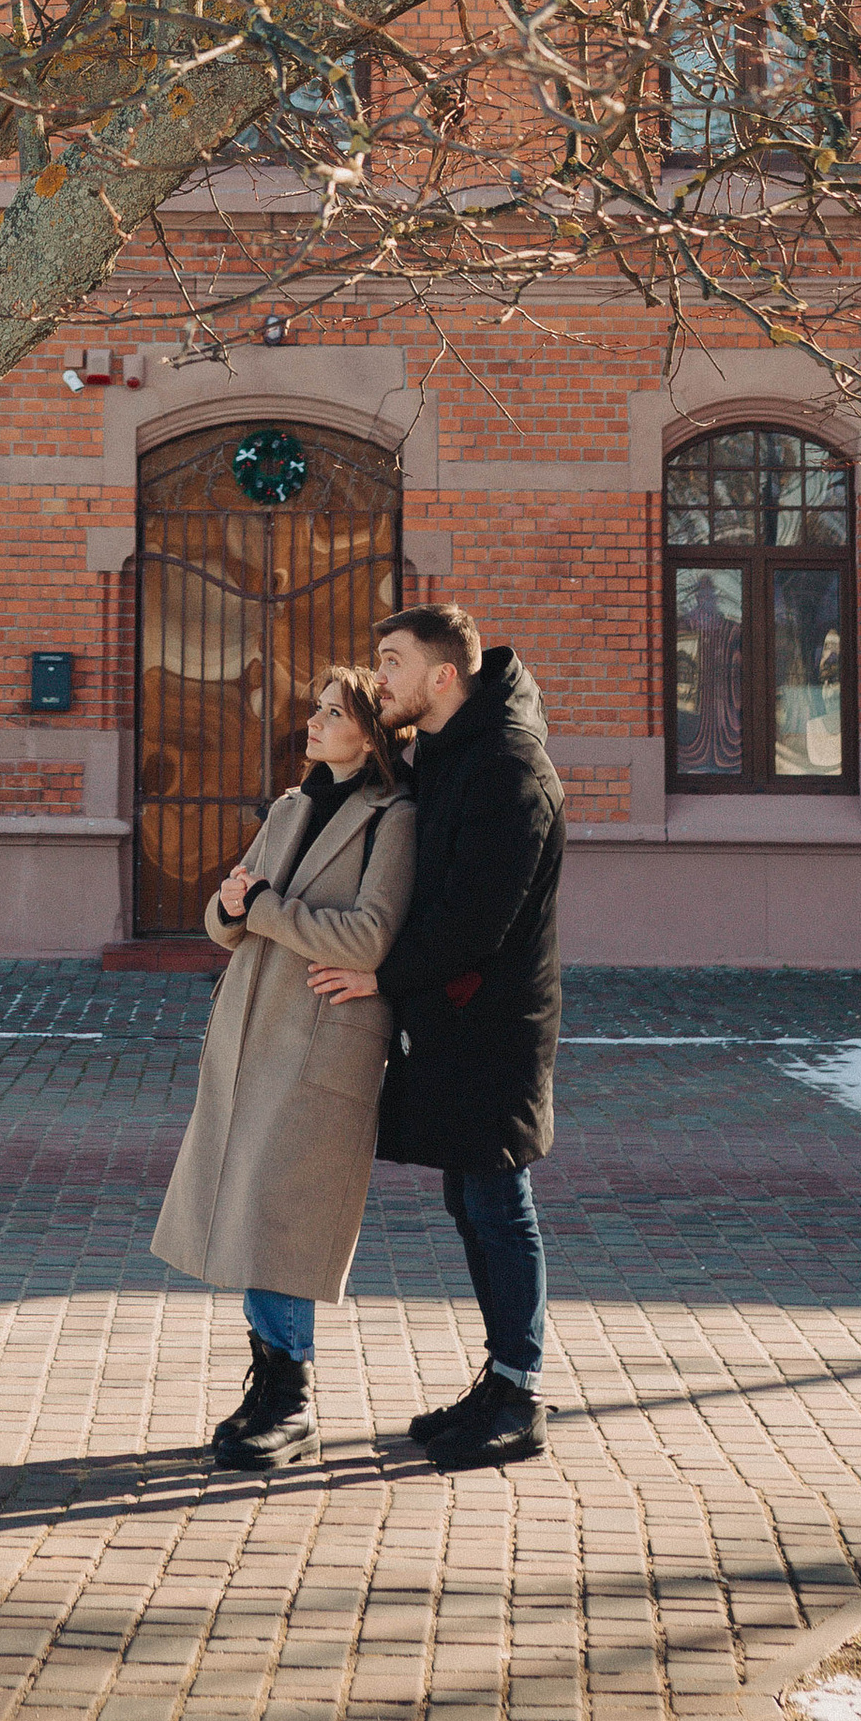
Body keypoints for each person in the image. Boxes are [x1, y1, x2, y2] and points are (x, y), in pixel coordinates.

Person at [311, 602, 563, 1471]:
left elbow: (474, 921)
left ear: (443, 675)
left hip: (495, 1025)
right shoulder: (447, 752)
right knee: (474, 1202)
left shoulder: (508, 769)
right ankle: (499, 1381)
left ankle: (520, 1392)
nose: (378, 677)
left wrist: (380, 977)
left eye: (390, 660)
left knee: (500, 1204)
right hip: (453, 1020)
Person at [151, 666, 418, 1473]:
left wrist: (262, 906)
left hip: (323, 1039)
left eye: (333, 713)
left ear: (369, 735)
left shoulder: (393, 818)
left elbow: (369, 937)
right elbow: (228, 918)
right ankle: (269, 1386)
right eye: (315, 708)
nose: (313, 721)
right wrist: (231, 906)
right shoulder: (292, 806)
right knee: (246, 1209)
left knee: (282, 1214)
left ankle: (290, 1399)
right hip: (251, 1033)